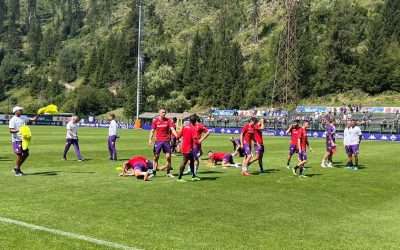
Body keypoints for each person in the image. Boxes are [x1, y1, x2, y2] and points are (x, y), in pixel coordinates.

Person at [148, 109, 178, 178]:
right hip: (158, 141)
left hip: (166, 141)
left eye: (165, 112)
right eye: (162, 112)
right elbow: (152, 131)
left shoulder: (168, 120)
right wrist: (150, 139)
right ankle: (154, 172)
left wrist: (176, 136)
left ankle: (168, 172)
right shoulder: (155, 121)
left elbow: (172, 129)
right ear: (159, 113)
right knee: (156, 157)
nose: (164, 113)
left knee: (168, 157)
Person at [8, 106, 37, 176]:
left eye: (21, 110)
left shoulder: (23, 117)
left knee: (26, 154)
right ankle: (17, 171)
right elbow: (11, 130)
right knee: (19, 155)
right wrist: (18, 130)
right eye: (20, 110)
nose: (21, 111)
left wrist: (36, 117)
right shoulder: (13, 120)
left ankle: (16, 168)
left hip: (24, 140)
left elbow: (32, 120)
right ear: (15, 111)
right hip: (16, 140)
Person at [177, 115, 200, 182]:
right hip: (189, 148)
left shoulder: (184, 127)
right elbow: (195, 139)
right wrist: (199, 142)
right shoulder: (193, 128)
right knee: (184, 161)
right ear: (195, 121)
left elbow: (178, 135)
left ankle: (193, 176)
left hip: (185, 147)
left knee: (192, 161)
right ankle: (179, 178)